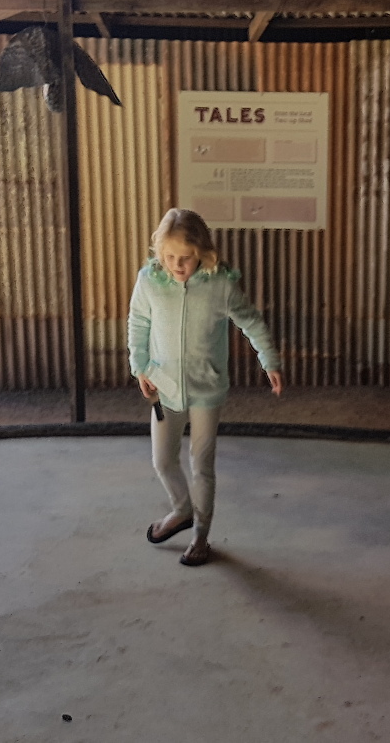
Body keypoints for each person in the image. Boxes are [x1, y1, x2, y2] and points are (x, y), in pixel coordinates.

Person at [127, 208, 283, 566]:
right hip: (164, 388)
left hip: (207, 390)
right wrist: (140, 367)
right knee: (162, 460)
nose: (177, 265)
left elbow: (251, 322)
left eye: (185, 257)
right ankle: (182, 509)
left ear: (201, 251)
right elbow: (138, 322)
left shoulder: (220, 284)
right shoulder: (150, 281)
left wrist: (269, 360)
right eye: (169, 257)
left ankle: (200, 534)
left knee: (202, 465)